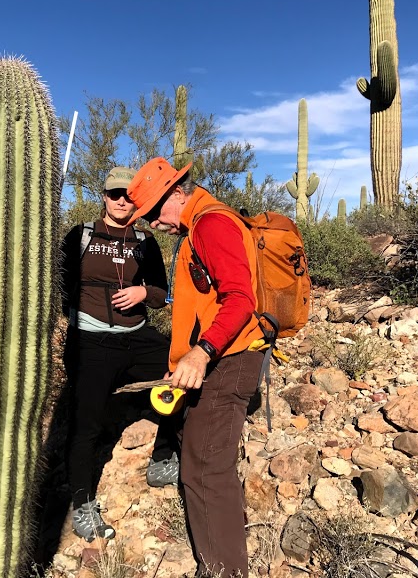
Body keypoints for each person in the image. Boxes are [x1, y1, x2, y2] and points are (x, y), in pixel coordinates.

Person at [127, 158, 263, 578]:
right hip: (218, 359)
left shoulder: (210, 224)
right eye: (144, 216)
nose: (151, 222)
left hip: (228, 360)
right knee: (201, 456)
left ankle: (224, 570)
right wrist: (186, 357)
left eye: (153, 211)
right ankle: (221, 550)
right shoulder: (197, 228)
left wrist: (201, 352)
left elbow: (241, 298)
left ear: (177, 193)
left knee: (205, 469)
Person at [60, 166, 181, 542]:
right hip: (91, 342)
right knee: (86, 422)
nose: (121, 201)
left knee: (182, 371)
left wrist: (143, 294)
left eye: (128, 195)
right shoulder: (80, 236)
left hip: (137, 335)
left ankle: (163, 458)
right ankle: (81, 503)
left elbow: (162, 293)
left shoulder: (144, 241)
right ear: (103, 197)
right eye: (114, 194)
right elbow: (56, 284)